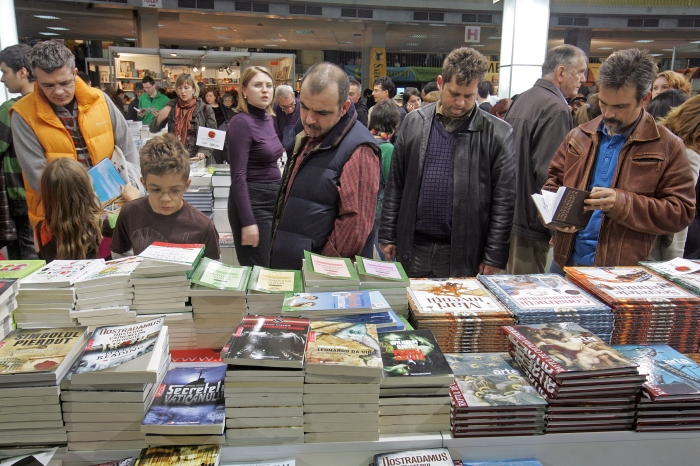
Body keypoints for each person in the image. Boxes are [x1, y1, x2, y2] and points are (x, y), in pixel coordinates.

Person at [544, 49, 695, 271]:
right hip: (566, 262)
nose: (609, 114)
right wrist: (554, 215)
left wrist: (622, 203)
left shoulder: (667, 146)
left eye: (620, 106)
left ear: (644, 99)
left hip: (623, 270)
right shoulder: (580, 136)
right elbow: (552, 185)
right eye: (604, 103)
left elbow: (681, 211)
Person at [379, 47, 515, 278]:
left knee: (457, 312)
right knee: (410, 310)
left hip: (464, 251)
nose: (461, 103)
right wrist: (387, 234)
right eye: (454, 93)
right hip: (413, 246)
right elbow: (396, 185)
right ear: (441, 83)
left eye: (468, 96)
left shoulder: (498, 133)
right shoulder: (414, 123)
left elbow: (504, 200)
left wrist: (494, 255)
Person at [10, 40, 140, 229]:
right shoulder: (24, 114)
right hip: (62, 219)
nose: (59, 91)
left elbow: (127, 148)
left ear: (75, 73)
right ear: (36, 80)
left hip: (115, 209)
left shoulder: (100, 100)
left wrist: (133, 188)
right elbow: (38, 176)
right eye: (48, 85)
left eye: (65, 82)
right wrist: (84, 203)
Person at [270, 62, 380, 270]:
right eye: (304, 107)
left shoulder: (359, 150)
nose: (309, 119)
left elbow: (354, 229)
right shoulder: (310, 135)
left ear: (344, 108)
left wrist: (317, 270)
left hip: (320, 282)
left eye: (322, 112)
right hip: (295, 267)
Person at [504, 44, 588, 275]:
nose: (583, 79)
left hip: (510, 215)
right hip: (531, 221)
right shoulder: (556, 107)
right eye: (580, 71)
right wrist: (555, 226)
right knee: (524, 293)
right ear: (561, 72)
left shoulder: (523, 99)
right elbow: (549, 172)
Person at [111, 133, 220, 260]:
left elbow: (211, 270)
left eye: (174, 190)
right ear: (144, 183)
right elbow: (119, 254)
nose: (165, 199)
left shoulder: (203, 226)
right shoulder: (130, 213)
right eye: (156, 190)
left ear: (187, 185)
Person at [227, 66, 282, 267]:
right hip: (253, 201)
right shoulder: (240, 122)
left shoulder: (268, 118)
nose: (265, 90)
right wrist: (248, 221)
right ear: (244, 90)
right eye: (258, 85)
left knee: (274, 265)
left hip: (272, 200)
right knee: (259, 269)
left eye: (269, 85)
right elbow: (238, 175)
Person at [34, 158, 139, 262]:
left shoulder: (40, 231)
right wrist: (134, 201)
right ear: (87, 190)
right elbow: (138, 235)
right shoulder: (108, 222)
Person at [0, 44, 37, 259]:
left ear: (22, 72)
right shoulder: (46, 104)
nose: (3, 79)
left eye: (5, 72)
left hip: (20, 194)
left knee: (24, 257)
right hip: (46, 192)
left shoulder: (10, 110)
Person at [654, 96, 700, 260]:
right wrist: (674, 262)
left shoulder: (661, 144)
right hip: (673, 250)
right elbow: (678, 215)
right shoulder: (688, 156)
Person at [149, 74, 217, 161]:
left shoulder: (205, 109)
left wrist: (204, 152)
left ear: (194, 89)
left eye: (186, 88)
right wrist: (159, 119)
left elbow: (213, 135)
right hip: (176, 159)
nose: (183, 91)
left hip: (198, 160)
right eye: (180, 88)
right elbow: (153, 129)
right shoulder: (171, 107)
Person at [368, 100, 402, 261]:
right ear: (394, 124)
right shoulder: (388, 149)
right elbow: (392, 184)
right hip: (379, 211)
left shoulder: (365, 142)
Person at [272, 84, 301, 149]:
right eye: (284, 107)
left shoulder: (302, 108)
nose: (289, 109)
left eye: (291, 104)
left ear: (293, 96)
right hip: (278, 148)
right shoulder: (274, 108)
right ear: (278, 102)